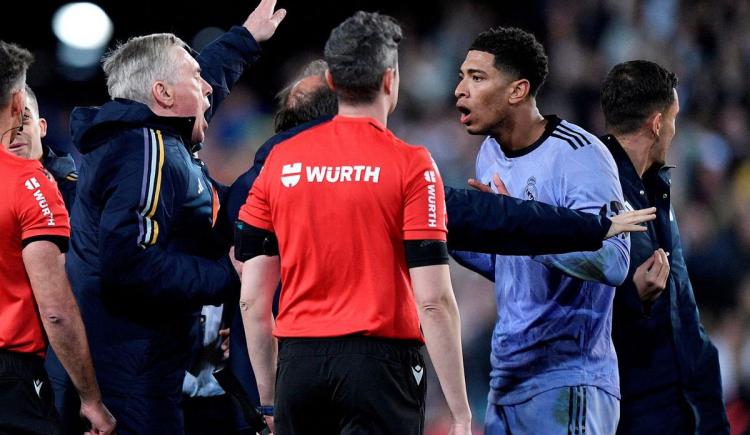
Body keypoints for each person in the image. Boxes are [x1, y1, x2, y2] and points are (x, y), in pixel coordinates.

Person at [236, 12, 473, 434]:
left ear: (331, 81)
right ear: (390, 80)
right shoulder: (413, 166)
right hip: (380, 370)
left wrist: (271, 401)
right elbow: (434, 300)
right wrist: (459, 413)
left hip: (299, 368)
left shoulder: (279, 162)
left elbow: (253, 301)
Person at [64, 1, 286, 433]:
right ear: (163, 95)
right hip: (132, 377)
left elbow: (197, 92)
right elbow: (129, 263)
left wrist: (243, 40)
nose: (207, 88)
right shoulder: (147, 148)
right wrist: (226, 273)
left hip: (143, 367)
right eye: (194, 77)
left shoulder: (152, 140)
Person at [452, 27, 630, 434]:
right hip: (507, 378)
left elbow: (615, 260)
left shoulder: (579, 155)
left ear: (517, 91)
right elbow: (510, 263)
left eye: (477, 78)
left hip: (569, 378)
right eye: (462, 75)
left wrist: (522, 223)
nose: (460, 89)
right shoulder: (490, 154)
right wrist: (452, 233)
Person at [600, 60, 730, 434]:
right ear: (657, 124)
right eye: (673, 120)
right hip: (635, 408)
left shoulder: (656, 187)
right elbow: (570, 298)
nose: (674, 131)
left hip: (684, 404)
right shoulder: (592, 192)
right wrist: (631, 299)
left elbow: (681, 306)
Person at [0, 40, 115, 435]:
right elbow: (57, 310)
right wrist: (92, 399)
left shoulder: (63, 187)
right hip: (12, 374)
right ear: (17, 103)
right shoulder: (29, 183)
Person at [9, 85, 77, 210]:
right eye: (4, 123)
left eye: (23, 118)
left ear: (42, 127)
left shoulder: (79, 193)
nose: (14, 130)